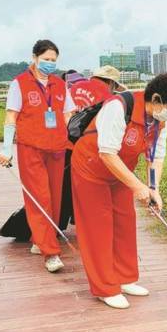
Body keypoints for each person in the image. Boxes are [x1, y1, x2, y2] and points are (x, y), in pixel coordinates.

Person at [71, 73, 167, 309]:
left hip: (120, 173)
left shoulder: (159, 121)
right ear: (155, 98)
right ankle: (105, 287)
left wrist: (154, 188)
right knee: (98, 227)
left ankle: (124, 278)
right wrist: (137, 186)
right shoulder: (119, 107)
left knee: (124, 222)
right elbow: (106, 153)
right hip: (90, 169)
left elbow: (155, 156)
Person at [0, 39, 76, 273]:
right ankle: (51, 253)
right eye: (46, 60)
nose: (49, 64)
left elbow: (68, 115)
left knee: (54, 198)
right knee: (39, 198)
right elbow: (11, 117)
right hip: (31, 148)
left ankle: (38, 238)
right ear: (34, 57)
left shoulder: (60, 85)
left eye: (53, 60)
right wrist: (6, 149)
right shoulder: (19, 84)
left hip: (57, 149)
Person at [58, 65, 127, 231]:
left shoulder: (72, 89)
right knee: (85, 191)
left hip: (62, 145)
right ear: (111, 83)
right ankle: (85, 226)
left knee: (61, 188)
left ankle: (56, 227)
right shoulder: (109, 98)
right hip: (86, 149)